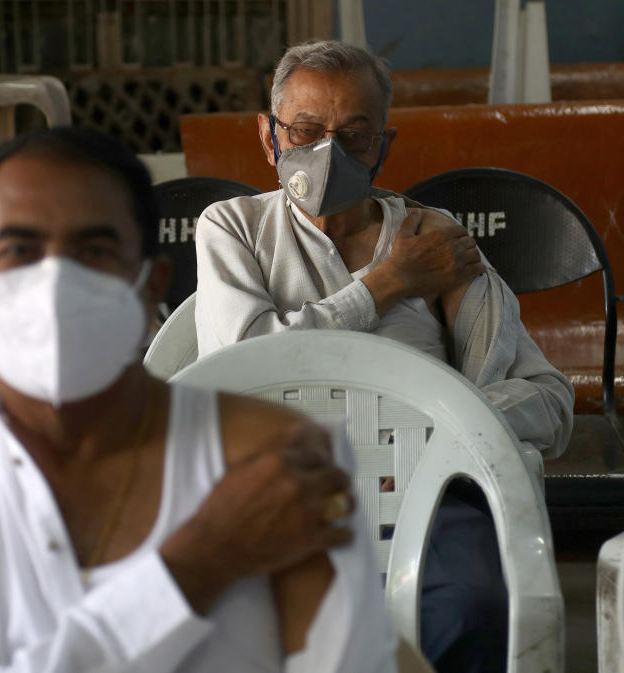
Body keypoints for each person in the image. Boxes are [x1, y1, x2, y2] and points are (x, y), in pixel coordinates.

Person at [0, 127, 407, 673]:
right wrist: (197, 563)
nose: (56, 279)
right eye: (19, 249)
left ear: (149, 290)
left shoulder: (280, 456)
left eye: (95, 249)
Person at [194, 40, 575, 672]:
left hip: (430, 494)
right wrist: (388, 284)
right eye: (308, 131)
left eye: (355, 135)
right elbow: (245, 367)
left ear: (384, 147)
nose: (329, 153)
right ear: (269, 138)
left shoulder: (436, 240)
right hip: (276, 490)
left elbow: (551, 400)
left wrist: (441, 432)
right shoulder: (233, 228)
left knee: (473, 605)